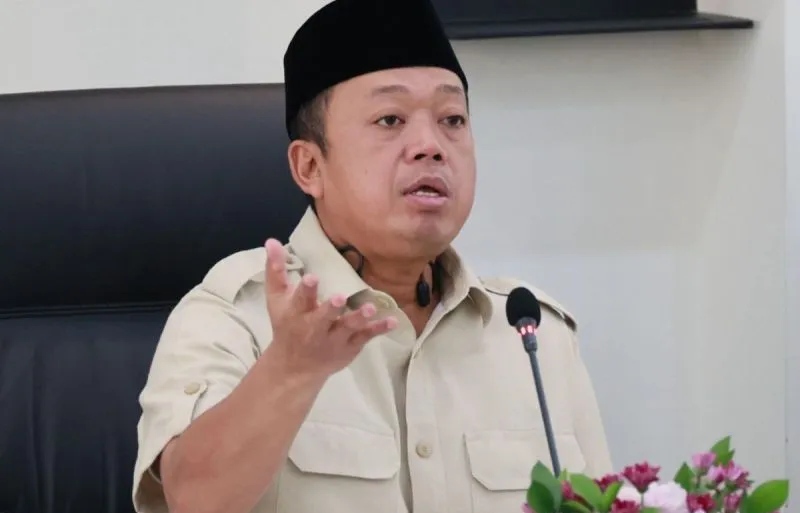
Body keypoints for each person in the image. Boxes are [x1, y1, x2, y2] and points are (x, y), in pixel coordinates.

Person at [131, 0, 613, 512]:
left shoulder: (532, 334)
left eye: (452, 119)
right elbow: (192, 500)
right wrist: (289, 372)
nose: (430, 145)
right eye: (390, 120)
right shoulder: (234, 315)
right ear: (310, 167)